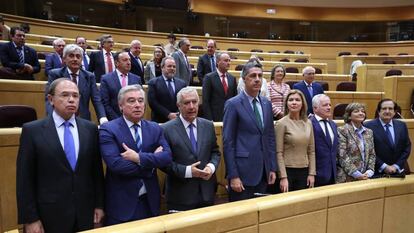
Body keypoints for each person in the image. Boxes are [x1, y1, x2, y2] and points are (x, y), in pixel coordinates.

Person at [17, 78, 105, 233]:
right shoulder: (32, 131)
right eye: (64, 95)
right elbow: (25, 179)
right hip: (49, 216)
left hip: (85, 213)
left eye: (75, 96)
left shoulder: (90, 129)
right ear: (51, 99)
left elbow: (96, 172)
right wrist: (30, 219)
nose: (71, 100)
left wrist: (99, 205)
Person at [99, 84, 172, 225]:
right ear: (120, 106)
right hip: (121, 204)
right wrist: (151, 164)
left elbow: (167, 157)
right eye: (131, 101)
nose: (137, 105)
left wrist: (139, 158)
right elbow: (116, 165)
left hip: (150, 201)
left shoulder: (155, 128)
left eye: (140, 100)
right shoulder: (108, 129)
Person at [223, 61, 277, 202]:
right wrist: (233, 175)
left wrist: (272, 167)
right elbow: (228, 142)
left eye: (260, 76)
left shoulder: (266, 103)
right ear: (244, 79)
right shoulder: (233, 104)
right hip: (242, 173)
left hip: (263, 172)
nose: (257, 79)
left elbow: (270, 137)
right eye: (253, 76)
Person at [162, 87, 220, 211]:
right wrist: (187, 171)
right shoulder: (166, 129)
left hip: (206, 193)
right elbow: (163, 163)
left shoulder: (208, 125)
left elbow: (215, 152)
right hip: (180, 196)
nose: (191, 106)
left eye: (194, 102)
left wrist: (211, 167)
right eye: (187, 103)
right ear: (178, 105)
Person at [46, 44, 107, 123]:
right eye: (71, 56)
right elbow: (50, 99)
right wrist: (51, 118)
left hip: (83, 119)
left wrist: (102, 117)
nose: (75, 59)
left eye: (78, 56)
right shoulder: (55, 74)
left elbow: (96, 99)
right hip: (60, 118)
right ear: (64, 59)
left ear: (82, 59)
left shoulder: (89, 76)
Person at [276, 90, 315, 192]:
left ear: (302, 103)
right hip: (288, 171)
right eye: (290, 100)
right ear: (286, 103)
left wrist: (311, 173)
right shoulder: (281, 123)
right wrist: (283, 177)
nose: (294, 102)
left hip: (305, 171)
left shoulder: (308, 123)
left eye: (297, 100)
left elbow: (311, 151)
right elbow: (278, 153)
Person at [365, 99, 411, 175]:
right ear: (378, 111)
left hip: (398, 170)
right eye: (384, 108)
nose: (387, 111)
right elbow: (368, 150)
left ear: (394, 112)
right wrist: (384, 166)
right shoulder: (368, 126)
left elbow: (407, 147)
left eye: (390, 109)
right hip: (377, 171)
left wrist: (396, 166)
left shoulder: (401, 125)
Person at [336, 103, 376, 183]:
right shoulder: (342, 130)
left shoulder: (369, 132)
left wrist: (369, 171)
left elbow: (372, 153)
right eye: (356, 111)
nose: (361, 113)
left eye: (363, 111)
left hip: (365, 176)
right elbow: (342, 155)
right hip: (347, 177)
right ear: (349, 115)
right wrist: (356, 174)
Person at [100, 52, 143, 121]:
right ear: (117, 63)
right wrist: (118, 120)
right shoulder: (106, 79)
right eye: (125, 60)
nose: (129, 62)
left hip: (133, 120)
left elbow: (141, 100)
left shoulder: (137, 79)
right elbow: (105, 103)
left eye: (129, 60)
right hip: (113, 120)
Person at [310, 94, 338, 186]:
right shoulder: (309, 123)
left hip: (332, 174)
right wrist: (311, 173)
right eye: (325, 105)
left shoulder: (333, 124)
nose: (329, 107)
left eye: (330, 105)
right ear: (315, 108)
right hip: (315, 175)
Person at [148, 57, 186, 123]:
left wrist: (178, 114)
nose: (172, 68)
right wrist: (168, 114)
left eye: (174, 67)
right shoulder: (153, 83)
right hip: (160, 120)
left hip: (178, 120)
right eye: (169, 66)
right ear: (162, 68)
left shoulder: (182, 84)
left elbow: (184, 101)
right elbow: (153, 102)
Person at [202, 52, 237, 122]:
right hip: (214, 117)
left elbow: (235, 99)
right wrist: (209, 119)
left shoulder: (232, 78)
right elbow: (206, 100)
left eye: (229, 61)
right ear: (218, 62)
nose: (228, 63)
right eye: (226, 60)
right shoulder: (209, 77)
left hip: (229, 116)